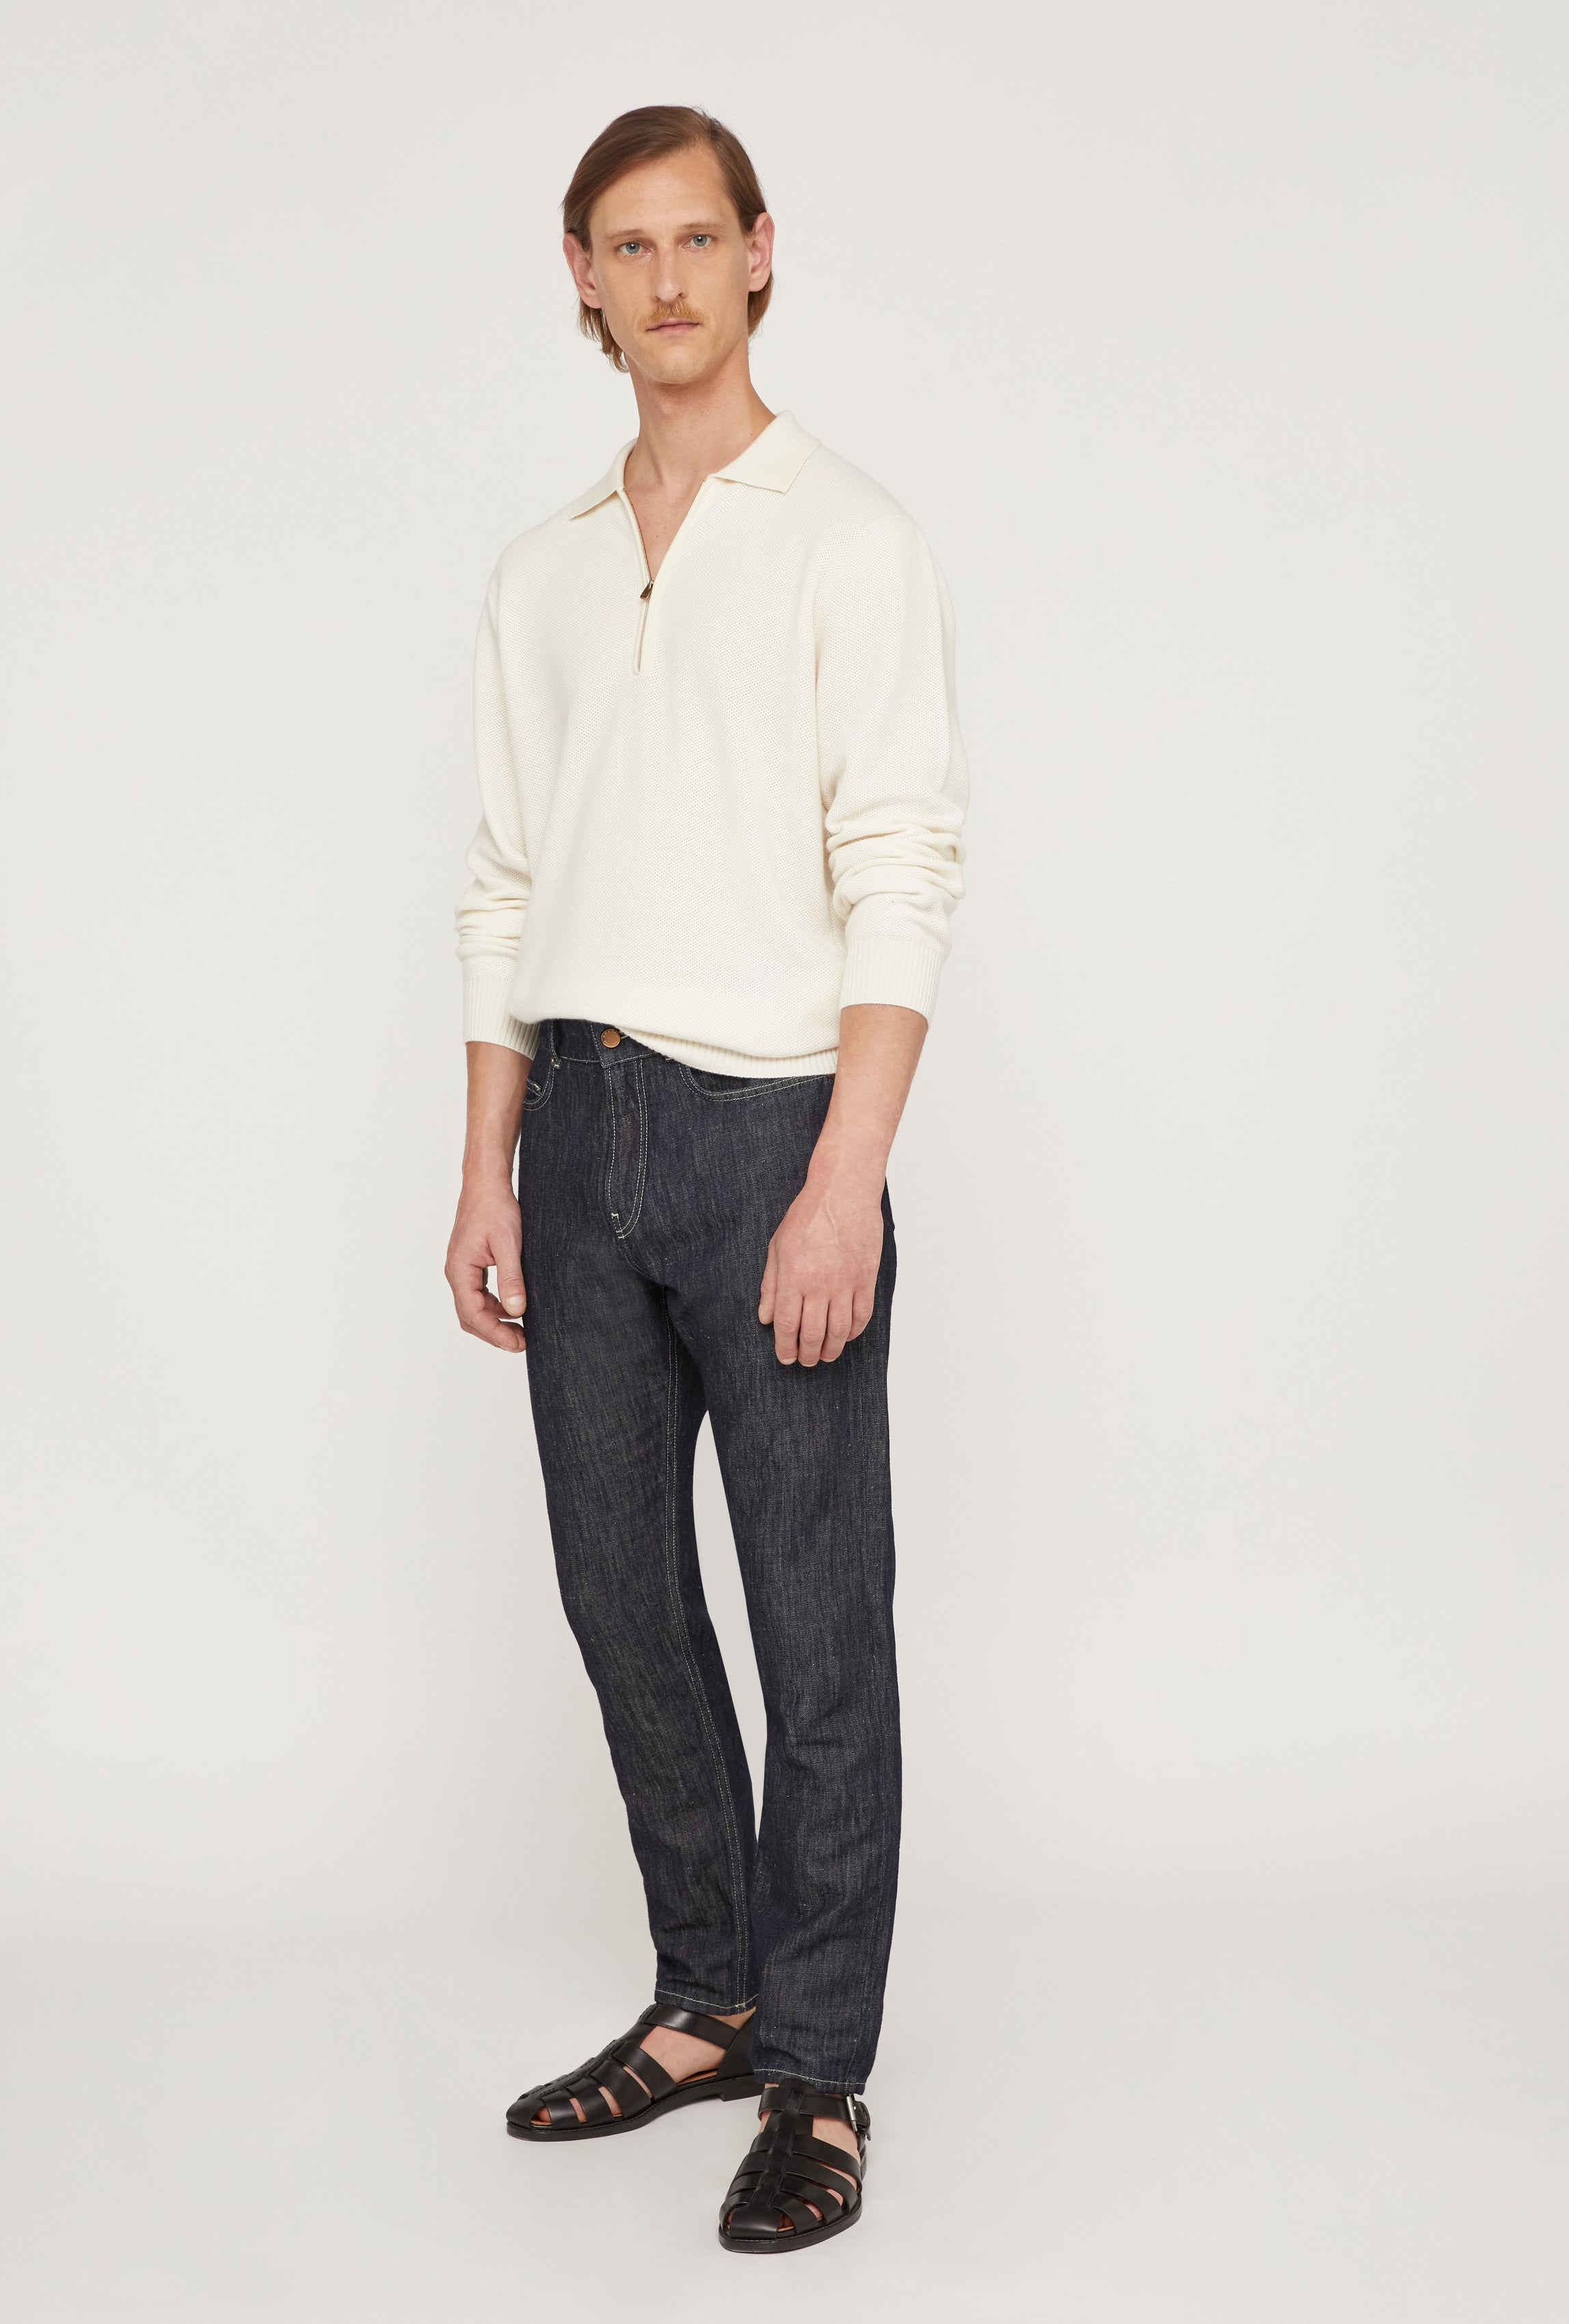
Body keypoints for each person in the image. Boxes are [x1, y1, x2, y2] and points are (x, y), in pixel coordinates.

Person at [444, 104, 969, 2254]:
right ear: (578, 274)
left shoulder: (850, 538)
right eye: (623, 244)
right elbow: (503, 877)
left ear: (759, 252)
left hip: (770, 1132)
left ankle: (818, 2074)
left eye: (695, 237)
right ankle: (709, 1994)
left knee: (814, 1617)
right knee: (618, 1593)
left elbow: (903, 860)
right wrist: (484, 1162)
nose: (662, 279)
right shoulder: (543, 571)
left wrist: (846, 1176)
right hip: (575, 1125)